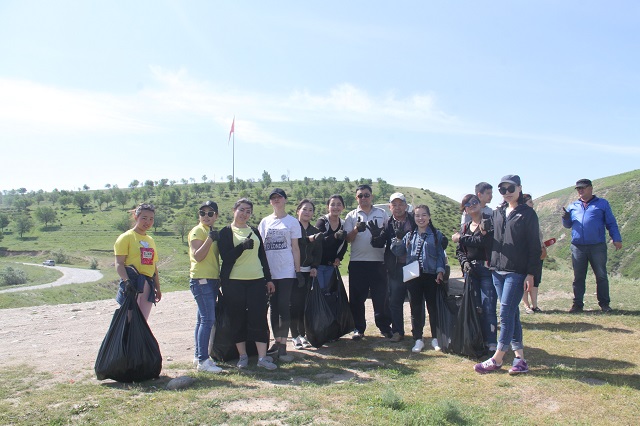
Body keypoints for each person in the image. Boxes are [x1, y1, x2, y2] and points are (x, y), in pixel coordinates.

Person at [474, 175, 540, 375]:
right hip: (497, 270)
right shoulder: (498, 212)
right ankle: (520, 359)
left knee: (505, 312)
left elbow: (534, 247)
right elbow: (489, 237)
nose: (507, 192)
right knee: (513, 313)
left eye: (510, 188)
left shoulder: (528, 214)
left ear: (519, 188)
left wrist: (531, 274)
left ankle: (498, 358)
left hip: (516, 271)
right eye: (502, 189)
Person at [218, 198, 277, 370]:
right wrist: (242, 247)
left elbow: (262, 257)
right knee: (238, 318)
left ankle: (262, 358)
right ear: (234, 210)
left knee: (258, 317)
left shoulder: (254, 231)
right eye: (242, 210)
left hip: (256, 280)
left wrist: (269, 279)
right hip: (234, 282)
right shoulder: (226, 232)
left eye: (248, 211)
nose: (244, 214)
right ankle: (242, 356)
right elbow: (226, 257)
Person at [390, 204, 446, 352]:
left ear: (429, 217)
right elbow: (398, 251)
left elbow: (441, 255)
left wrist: (440, 271)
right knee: (415, 308)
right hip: (413, 276)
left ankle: (436, 338)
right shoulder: (409, 236)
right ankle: (418, 339)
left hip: (431, 275)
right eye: (417, 215)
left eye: (423, 215)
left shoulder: (436, 235)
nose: (420, 218)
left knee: (433, 308)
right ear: (413, 218)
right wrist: (397, 238)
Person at [562, 179, 622, 313]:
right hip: (578, 247)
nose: (580, 191)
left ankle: (604, 304)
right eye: (578, 189)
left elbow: (611, 223)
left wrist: (616, 238)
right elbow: (567, 225)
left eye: (583, 188)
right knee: (578, 277)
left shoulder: (602, 204)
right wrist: (565, 217)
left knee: (601, 275)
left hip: (597, 246)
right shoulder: (573, 206)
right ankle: (577, 305)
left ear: (591, 188)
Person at [258, 188, 302, 361]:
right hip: (270, 272)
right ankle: (276, 341)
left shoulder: (292, 222)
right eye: (273, 198)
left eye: (279, 197)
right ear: (270, 202)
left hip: (286, 271)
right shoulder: (265, 222)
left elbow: (296, 248)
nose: (276, 200)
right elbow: (261, 249)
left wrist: (298, 271)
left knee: (284, 307)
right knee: (273, 308)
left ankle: (283, 345)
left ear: (285, 200)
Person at [343, 184, 392, 340]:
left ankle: (384, 327)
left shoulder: (382, 213)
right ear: (357, 198)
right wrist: (356, 230)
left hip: (378, 261)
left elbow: (389, 234)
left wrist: (380, 236)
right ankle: (358, 328)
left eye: (366, 195)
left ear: (372, 196)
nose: (363, 198)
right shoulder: (351, 215)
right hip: (358, 262)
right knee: (357, 298)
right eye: (360, 196)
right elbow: (348, 239)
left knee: (381, 297)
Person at [452, 194, 497, 352]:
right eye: (468, 204)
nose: (472, 205)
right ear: (464, 209)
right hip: (470, 271)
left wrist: (460, 239)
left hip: (487, 270)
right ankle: (477, 338)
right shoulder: (465, 227)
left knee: (488, 306)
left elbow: (485, 242)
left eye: (475, 202)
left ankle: (491, 342)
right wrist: (464, 263)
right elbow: (460, 251)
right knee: (474, 306)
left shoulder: (489, 223)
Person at [187, 201, 223, 373]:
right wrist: (210, 239)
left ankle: (198, 355)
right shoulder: (198, 231)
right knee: (208, 319)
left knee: (202, 319)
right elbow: (198, 256)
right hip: (201, 279)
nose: (206, 216)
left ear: (216, 216)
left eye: (210, 213)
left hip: (211, 279)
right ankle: (203, 360)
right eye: (203, 213)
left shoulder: (210, 231)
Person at [114, 203, 161, 321]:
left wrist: (158, 287)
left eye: (151, 219)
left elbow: (153, 266)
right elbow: (119, 263)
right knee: (128, 320)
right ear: (136, 217)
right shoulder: (126, 237)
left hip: (148, 284)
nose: (148, 222)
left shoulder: (150, 240)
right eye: (144, 218)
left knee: (142, 322)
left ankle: (138, 340)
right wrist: (127, 281)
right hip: (132, 283)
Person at [383, 192, 417, 342]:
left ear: (405, 205)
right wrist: (377, 238)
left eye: (400, 204)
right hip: (395, 267)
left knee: (415, 300)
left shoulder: (414, 219)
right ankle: (397, 331)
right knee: (395, 301)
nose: (397, 207)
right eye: (394, 205)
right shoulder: (387, 223)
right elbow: (381, 242)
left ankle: (418, 331)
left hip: (412, 265)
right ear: (390, 207)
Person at [291, 199, 322, 349]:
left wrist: (315, 266)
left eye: (310, 210)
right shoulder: (292, 227)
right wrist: (307, 240)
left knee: (304, 305)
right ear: (298, 211)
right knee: (294, 305)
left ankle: (303, 335)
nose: (307, 212)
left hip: (307, 272)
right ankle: (294, 336)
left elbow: (318, 252)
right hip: (291, 272)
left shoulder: (315, 231)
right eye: (304, 209)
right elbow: (293, 243)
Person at [315, 195, 348, 292]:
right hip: (318, 264)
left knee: (329, 292)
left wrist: (339, 258)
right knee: (319, 292)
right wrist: (334, 236)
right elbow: (318, 242)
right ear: (327, 207)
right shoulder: (322, 222)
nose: (336, 207)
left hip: (331, 265)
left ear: (343, 207)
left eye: (339, 204)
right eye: (332, 204)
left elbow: (344, 244)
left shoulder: (343, 224)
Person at [521, 194, 546, 314]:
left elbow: (538, 236)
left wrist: (543, 247)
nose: (533, 205)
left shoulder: (534, 217)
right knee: (525, 280)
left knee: (536, 280)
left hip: (537, 253)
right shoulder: (521, 217)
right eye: (530, 202)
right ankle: (526, 305)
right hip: (525, 254)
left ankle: (535, 305)